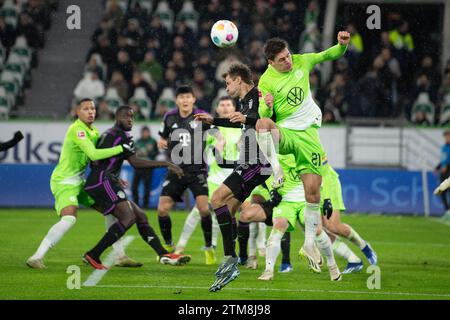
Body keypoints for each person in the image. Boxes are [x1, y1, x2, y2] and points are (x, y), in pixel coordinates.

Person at [255, 33, 350, 270]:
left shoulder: (301, 60)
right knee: (262, 126)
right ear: (270, 62)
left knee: (313, 193)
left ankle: (309, 243)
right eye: (282, 59)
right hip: (287, 132)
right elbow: (262, 115)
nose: (288, 61)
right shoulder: (265, 81)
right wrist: (266, 107)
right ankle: (276, 171)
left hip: (308, 136)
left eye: (288, 56)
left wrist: (342, 45)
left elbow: (328, 54)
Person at [26, 99, 138, 269]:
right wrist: (122, 148)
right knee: (69, 218)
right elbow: (93, 154)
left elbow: (97, 162)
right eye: (86, 109)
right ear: (77, 112)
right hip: (64, 181)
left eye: (92, 108)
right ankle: (36, 256)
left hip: (80, 182)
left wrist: (112, 176)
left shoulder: (93, 132)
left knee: (111, 211)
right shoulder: (77, 129)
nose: (91, 111)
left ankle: (120, 256)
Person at [194, 63, 272, 292]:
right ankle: (234, 258)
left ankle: (231, 258)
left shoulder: (257, 96)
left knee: (216, 200)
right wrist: (213, 121)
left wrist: (250, 118)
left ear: (239, 79)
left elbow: (266, 120)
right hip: (249, 162)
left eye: (228, 83)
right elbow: (240, 122)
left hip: (256, 162)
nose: (226, 88)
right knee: (228, 211)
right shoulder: (244, 101)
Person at [83, 106, 190, 269]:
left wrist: (114, 176)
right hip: (103, 182)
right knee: (128, 217)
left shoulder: (108, 134)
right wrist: (166, 163)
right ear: (117, 117)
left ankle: (163, 254)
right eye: (127, 116)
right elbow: (136, 163)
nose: (130, 120)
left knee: (140, 215)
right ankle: (93, 254)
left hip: (102, 181)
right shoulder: (120, 136)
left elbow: (96, 161)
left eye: (132, 117)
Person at [239, 154, 342, 281]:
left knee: (317, 230)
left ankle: (333, 266)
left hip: (306, 199)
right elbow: (265, 169)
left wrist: (327, 198)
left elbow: (323, 173)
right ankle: (268, 270)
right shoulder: (274, 148)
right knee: (278, 226)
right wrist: (272, 189)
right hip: (285, 201)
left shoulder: (308, 147)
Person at [174, 96, 241, 265]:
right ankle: (180, 248)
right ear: (217, 109)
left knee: (225, 214)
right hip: (216, 178)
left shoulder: (241, 127)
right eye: (222, 105)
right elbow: (203, 143)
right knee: (199, 210)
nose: (225, 108)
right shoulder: (213, 128)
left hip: (235, 177)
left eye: (228, 105)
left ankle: (214, 248)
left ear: (234, 109)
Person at [157, 85, 214, 256]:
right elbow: (162, 136)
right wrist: (161, 141)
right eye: (181, 97)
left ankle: (209, 246)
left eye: (188, 97)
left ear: (193, 99)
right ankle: (168, 245)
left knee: (204, 209)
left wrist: (219, 140)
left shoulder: (201, 116)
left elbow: (216, 131)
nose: (185, 100)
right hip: (176, 169)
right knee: (162, 209)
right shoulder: (169, 116)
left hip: (198, 170)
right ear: (177, 100)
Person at [132, 126, 158, 208]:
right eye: (144, 132)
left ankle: (146, 204)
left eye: (146, 132)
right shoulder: (137, 141)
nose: (145, 134)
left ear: (149, 133)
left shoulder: (153, 141)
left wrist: (148, 153)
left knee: (147, 186)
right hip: (138, 166)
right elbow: (133, 152)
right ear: (141, 133)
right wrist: (138, 154)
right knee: (134, 186)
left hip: (148, 166)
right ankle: (136, 204)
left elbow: (156, 153)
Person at [433, 129, 450, 220]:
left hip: (449, 171)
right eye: (446, 136)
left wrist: (447, 166)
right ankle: (447, 211)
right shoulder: (444, 147)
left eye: (448, 136)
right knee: (442, 191)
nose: (447, 138)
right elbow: (443, 160)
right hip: (444, 172)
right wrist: (437, 167)